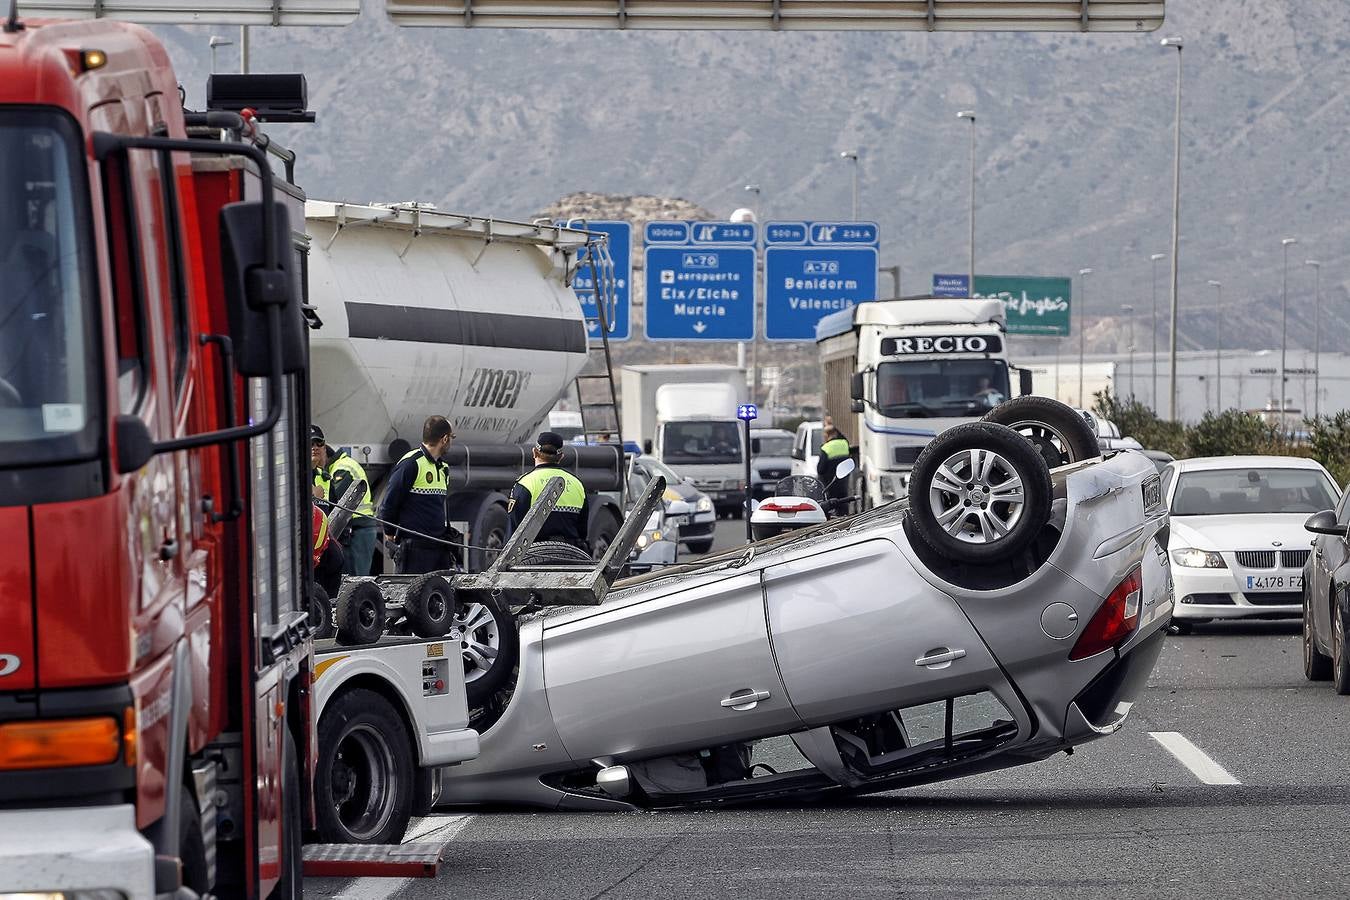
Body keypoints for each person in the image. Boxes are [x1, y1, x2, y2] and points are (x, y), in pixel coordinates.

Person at [378, 415, 455, 574]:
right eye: (451, 437)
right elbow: (389, 503)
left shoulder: (443, 468)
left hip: (438, 547)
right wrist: (390, 536)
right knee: (411, 596)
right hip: (414, 550)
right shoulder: (411, 463)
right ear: (445, 439)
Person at [311, 425, 379, 577]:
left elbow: (340, 507)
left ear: (325, 448)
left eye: (318, 444)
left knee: (355, 578)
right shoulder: (330, 471)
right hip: (347, 530)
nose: (315, 448)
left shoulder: (339, 470)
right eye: (311, 444)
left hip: (356, 528)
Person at [508, 431, 590, 550]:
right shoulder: (577, 484)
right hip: (571, 557)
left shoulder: (525, 483)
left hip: (534, 556)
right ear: (561, 456)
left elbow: (514, 530)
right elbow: (582, 531)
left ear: (535, 452)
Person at [817, 425, 852, 504]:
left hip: (830, 484)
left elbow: (820, 469)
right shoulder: (844, 443)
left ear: (826, 435)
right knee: (843, 506)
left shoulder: (826, 448)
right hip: (844, 483)